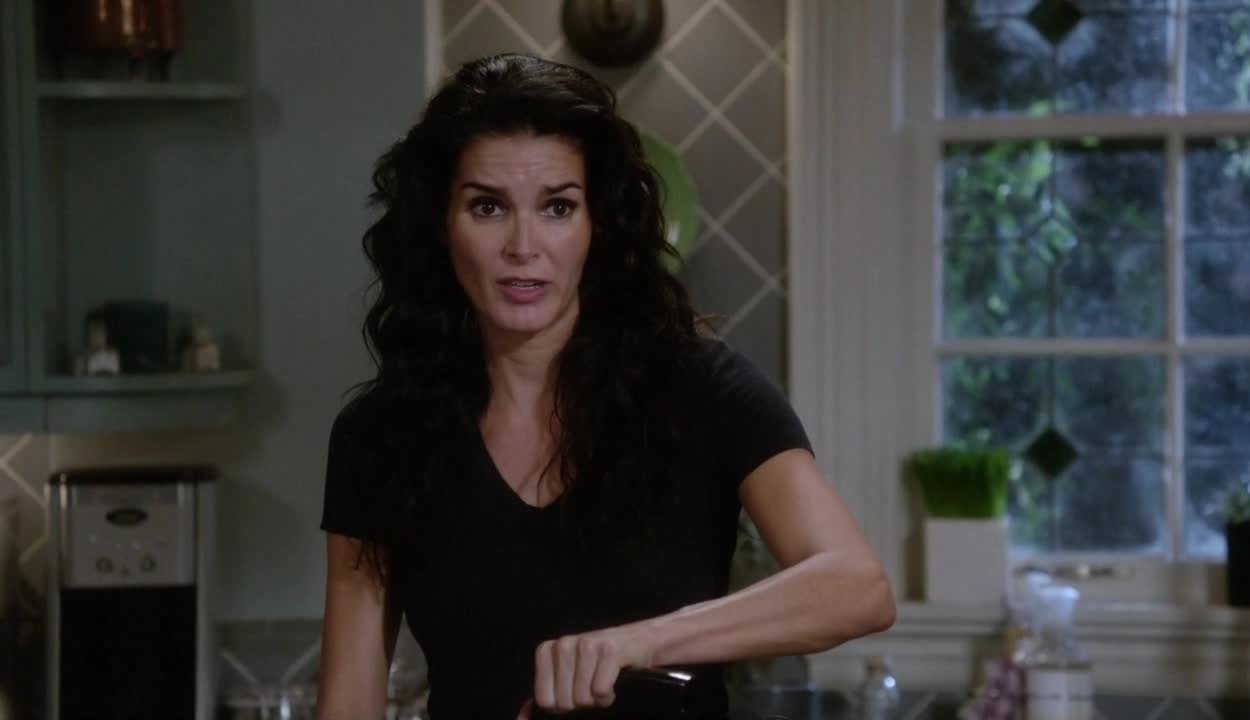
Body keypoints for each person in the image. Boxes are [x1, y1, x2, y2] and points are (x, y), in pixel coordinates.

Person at [316, 53, 895, 720]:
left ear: (597, 226)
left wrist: (640, 642)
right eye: (488, 206)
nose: (523, 245)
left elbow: (857, 588)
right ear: (441, 228)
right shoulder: (379, 435)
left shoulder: (702, 391)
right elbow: (349, 702)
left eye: (558, 207)